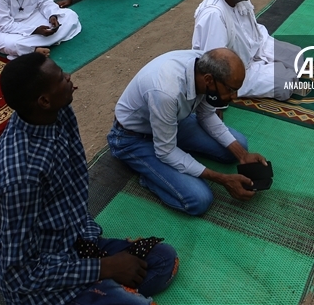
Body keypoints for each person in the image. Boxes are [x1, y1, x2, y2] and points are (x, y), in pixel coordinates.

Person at [0, 52, 179, 305]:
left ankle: (106, 290)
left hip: (75, 245)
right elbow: (19, 276)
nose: (69, 77)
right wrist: (103, 268)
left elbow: (69, 196)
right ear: (44, 101)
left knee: (163, 259)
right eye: (61, 77)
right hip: (42, 280)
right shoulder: (21, 176)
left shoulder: (59, 114)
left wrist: (98, 259)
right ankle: (106, 289)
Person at [107, 48, 268, 216]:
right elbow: (166, 151)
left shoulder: (203, 66)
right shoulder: (166, 92)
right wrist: (223, 179)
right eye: (230, 89)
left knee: (238, 145)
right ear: (208, 80)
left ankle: (176, 158)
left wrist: (242, 155)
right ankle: (151, 177)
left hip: (171, 122)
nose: (233, 96)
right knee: (199, 199)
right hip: (132, 138)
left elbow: (206, 115)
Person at [192, 0, 298, 101]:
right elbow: (214, 65)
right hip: (238, 68)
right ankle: (265, 73)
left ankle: (272, 66)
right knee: (285, 84)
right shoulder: (213, 15)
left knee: (298, 57)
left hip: (257, 45)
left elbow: (253, 33)